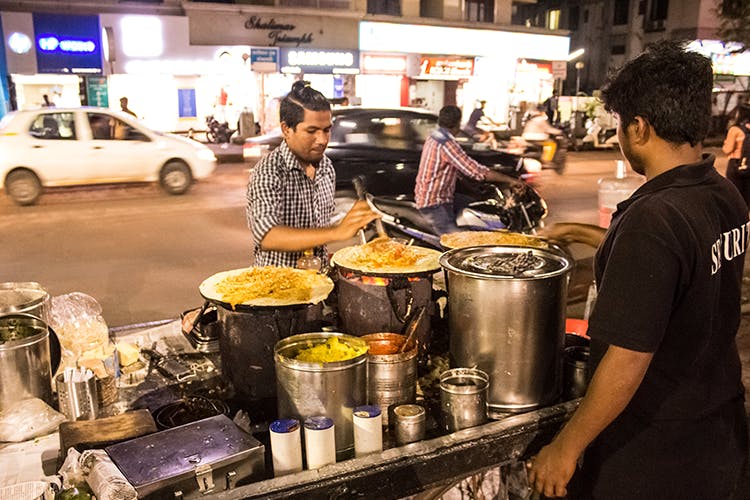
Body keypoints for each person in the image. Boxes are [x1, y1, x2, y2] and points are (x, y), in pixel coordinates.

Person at [528, 40, 749, 499]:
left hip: (655, 453)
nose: (618, 138)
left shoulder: (653, 219)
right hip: (719, 432)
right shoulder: (722, 193)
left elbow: (628, 359)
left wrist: (565, 447)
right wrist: (583, 233)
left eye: (620, 126)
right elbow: (677, 270)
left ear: (640, 127)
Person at [246, 81, 378, 268]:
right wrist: (337, 232)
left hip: (318, 281)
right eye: (311, 131)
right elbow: (268, 236)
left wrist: (351, 219)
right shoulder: (269, 172)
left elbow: (317, 223)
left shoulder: (326, 166)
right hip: (278, 289)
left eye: (326, 130)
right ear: (286, 129)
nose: (322, 140)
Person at [414, 105, 522, 235]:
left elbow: (458, 168)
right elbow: (476, 171)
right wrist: (510, 180)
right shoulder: (446, 143)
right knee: (454, 241)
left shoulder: (434, 136)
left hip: (439, 196)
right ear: (458, 123)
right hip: (434, 204)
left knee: (476, 208)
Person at [723, 104, 750, 209]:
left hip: (735, 164)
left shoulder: (734, 130)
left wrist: (725, 143)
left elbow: (727, 149)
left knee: (735, 196)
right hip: (749, 164)